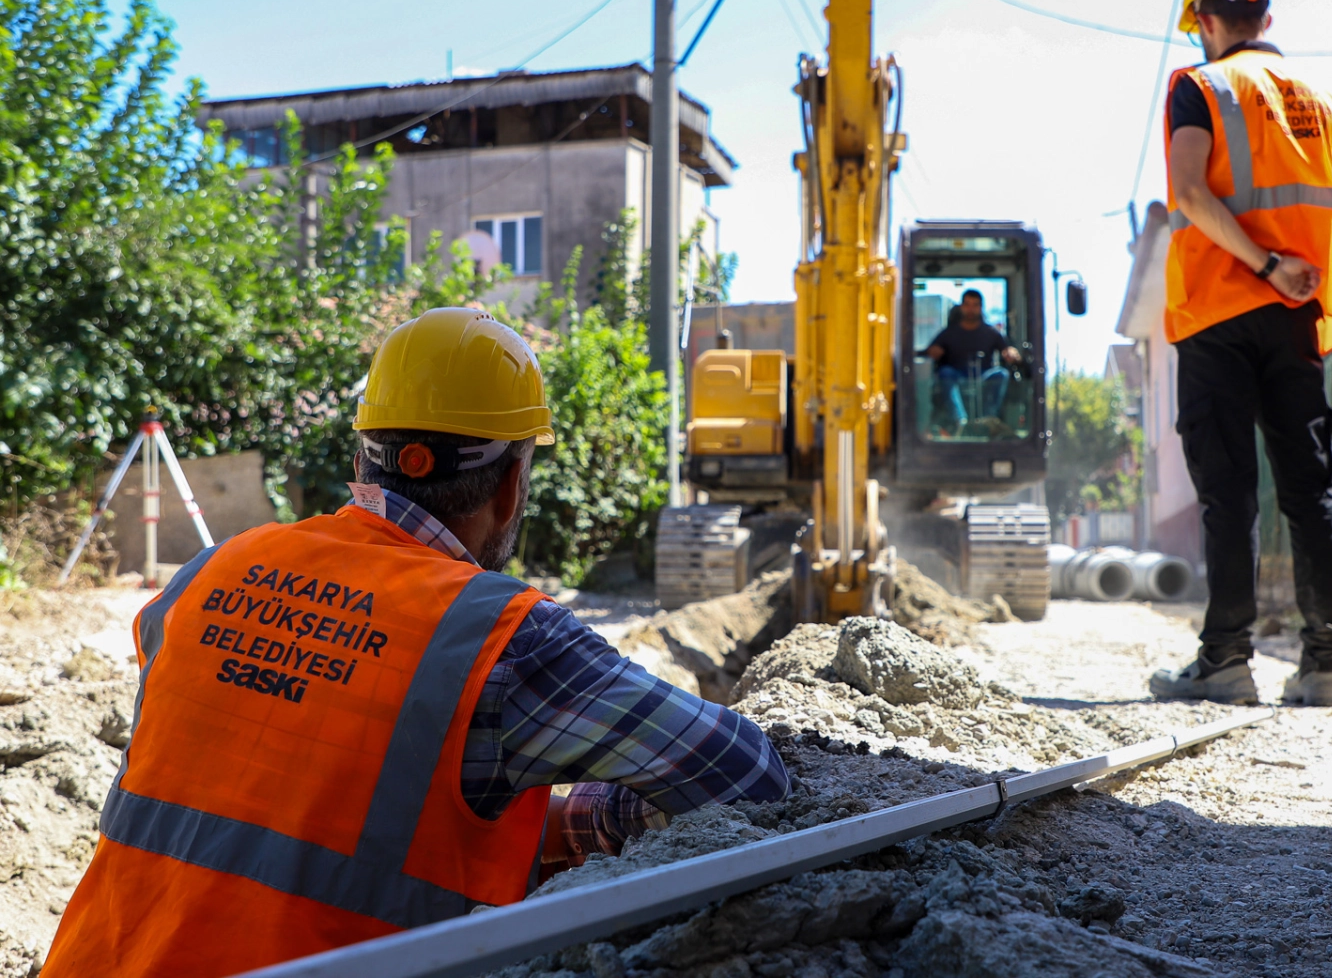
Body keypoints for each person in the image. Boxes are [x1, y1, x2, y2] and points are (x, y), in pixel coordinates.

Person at [43, 308, 791, 978]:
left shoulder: (204, 578)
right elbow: (748, 774)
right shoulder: (505, 640)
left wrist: (559, 820)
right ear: (510, 487)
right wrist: (613, 811)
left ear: (363, 457)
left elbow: (286, 801)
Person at [1146, 0, 1332, 709]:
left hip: (1219, 308)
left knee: (1229, 489)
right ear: (1265, 11)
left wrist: (1263, 264)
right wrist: (1292, 273)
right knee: (1309, 489)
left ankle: (1228, 661)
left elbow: (1193, 194)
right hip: (1296, 314)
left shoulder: (1202, 86)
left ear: (1206, 19)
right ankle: (1325, 665)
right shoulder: (1328, 100)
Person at [925, 289, 1022, 429]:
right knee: (945, 372)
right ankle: (959, 420)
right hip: (957, 377)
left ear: (980, 308)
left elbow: (1006, 350)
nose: (971, 309)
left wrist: (1011, 353)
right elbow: (930, 351)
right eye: (967, 305)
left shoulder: (992, 333)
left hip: (984, 377)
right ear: (961, 307)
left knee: (1001, 374)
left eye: (975, 305)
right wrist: (933, 352)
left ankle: (988, 419)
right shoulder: (949, 333)